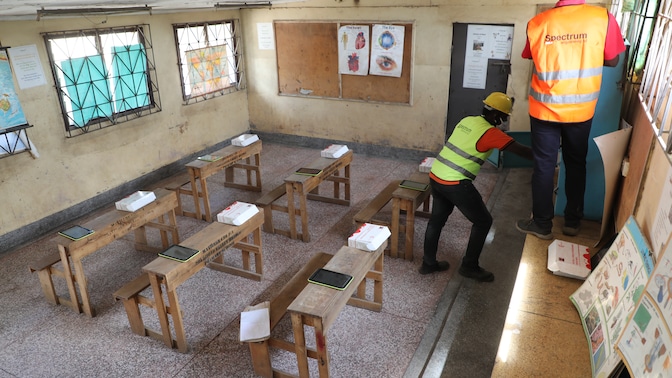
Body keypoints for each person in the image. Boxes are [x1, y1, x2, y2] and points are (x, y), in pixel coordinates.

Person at [516, 0, 626, 240]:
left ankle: (542, 224)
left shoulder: (537, 22)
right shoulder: (603, 18)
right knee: (576, 163)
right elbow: (613, 60)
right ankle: (573, 222)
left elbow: (531, 56)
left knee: (544, 166)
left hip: (544, 110)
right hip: (580, 111)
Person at [421, 92, 533, 282]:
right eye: (505, 116)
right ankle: (469, 266)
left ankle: (428, 263)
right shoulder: (491, 133)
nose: (505, 120)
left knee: (436, 221)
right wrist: (548, 154)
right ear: (496, 115)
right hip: (455, 183)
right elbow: (521, 151)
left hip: (436, 175)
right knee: (483, 222)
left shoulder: (468, 120)